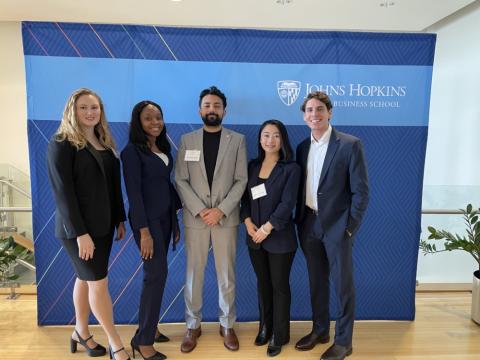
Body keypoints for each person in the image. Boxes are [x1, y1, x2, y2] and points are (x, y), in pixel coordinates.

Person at [46, 88, 130, 360]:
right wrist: (81, 233)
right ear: (73, 110)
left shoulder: (104, 141)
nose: (90, 112)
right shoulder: (61, 142)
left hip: (104, 227)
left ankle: (81, 331)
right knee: (97, 283)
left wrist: (119, 218)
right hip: (78, 230)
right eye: (83, 107)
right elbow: (63, 193)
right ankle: (115, 343)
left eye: (94, 107)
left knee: (85, 278)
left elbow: (112, 186)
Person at [294, 91, 369, 360]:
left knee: (342, 285)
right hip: (308, 224)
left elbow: (361, 192)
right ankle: (320, 330)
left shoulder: (350, 145)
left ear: (330, 113)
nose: (314, 114)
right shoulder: (302, 147)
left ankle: (344, 341)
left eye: (319, 109)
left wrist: (349, 227)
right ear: (304, 116)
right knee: (316, 282)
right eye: (310, 110)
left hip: (338, 227)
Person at [175, 86, 247, 353]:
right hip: (196, 219)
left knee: (226, 274)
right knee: (194, 273)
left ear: (224, 110)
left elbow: (241, 180)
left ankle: (227, 324)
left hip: (225, 219)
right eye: (207, 105)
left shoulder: (237, 140)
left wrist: (221, 210)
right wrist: (200, 209)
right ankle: (193, 325)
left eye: (216, 105)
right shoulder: (187, 140)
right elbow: (180, 179)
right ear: (199, 110)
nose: (212, 110)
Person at [121, 101, 181, 360]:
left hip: (166, 220)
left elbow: (165, 186)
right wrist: (144, 232)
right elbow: (134, 194)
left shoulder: (162, 146)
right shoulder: (131, 152)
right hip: (147, 223)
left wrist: (175, 222)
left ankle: (151, 327)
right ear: (138, 121)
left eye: (158, 117)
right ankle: (143, 341)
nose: (155, 122)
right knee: (155, 274)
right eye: (148, 118)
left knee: (158, 275)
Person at [240, 119, 300, 357]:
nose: (270, 140)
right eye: (266, 135)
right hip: (254, 237)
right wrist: (247, 223)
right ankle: (265, 327)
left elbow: (288, 204)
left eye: (276, 135)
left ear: (282, 139)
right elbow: (244, 199)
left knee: (279, 287)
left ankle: (279, 334)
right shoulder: (252, 166)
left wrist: (266, 228)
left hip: (279, 238)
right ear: (260, 139)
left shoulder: (291, 168)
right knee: (262, 285)